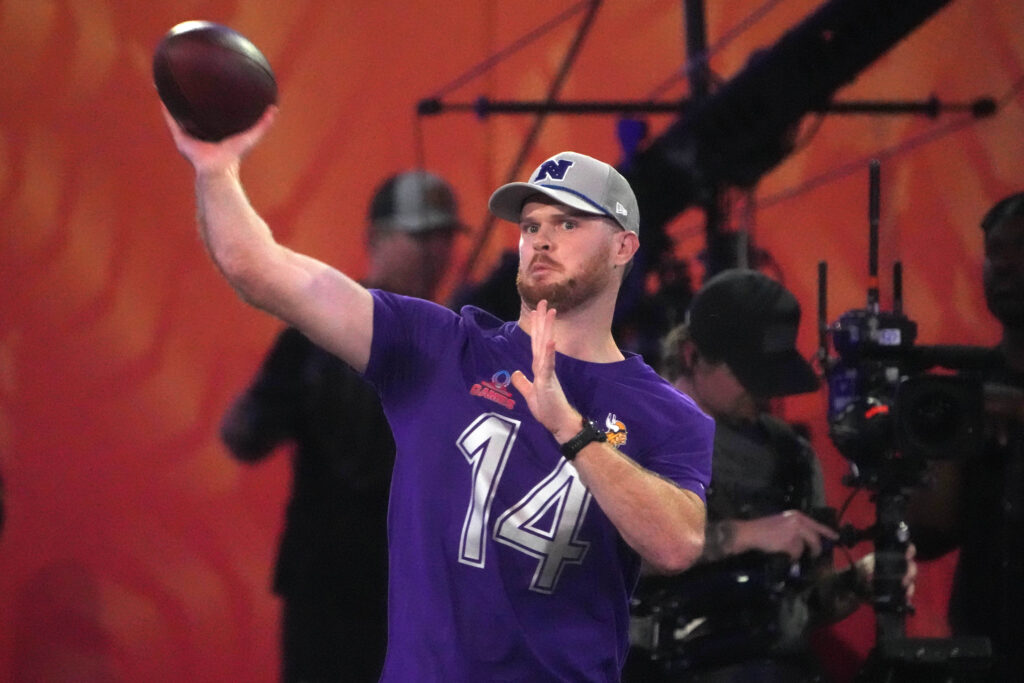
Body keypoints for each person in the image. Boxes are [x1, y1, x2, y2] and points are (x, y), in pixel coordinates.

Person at [162, 104, 714, 682]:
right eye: (531, 225)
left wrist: (573, 432)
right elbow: (257, 266)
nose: (542, 240)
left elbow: (676, 545)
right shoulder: (441, 346)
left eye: (568, 224)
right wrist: (215, 169)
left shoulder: (669, 414)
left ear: (624, 247)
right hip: (352, 610)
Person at [219, 170, 463, 682]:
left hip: (422, 590)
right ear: (375, 239)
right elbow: (243, 436)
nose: (435, 251)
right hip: (330, 589)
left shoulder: (460, 342)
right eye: (420, 235)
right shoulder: (314, 334)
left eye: (444, 236)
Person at [625, 269, 909, 683]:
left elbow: (807, 605)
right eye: (749, 374)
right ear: (692, 355)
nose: (765, 392)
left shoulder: (792, 455)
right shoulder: (630, 432)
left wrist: (860, 582)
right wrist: (746, 535)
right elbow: (606, 556)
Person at [906, 192, 1024, 682]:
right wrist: (943, 442)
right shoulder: (971, 387)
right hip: (984, 644)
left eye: (1019, 249)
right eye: (993, 252)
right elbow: (929, 533)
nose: (1001, 265)